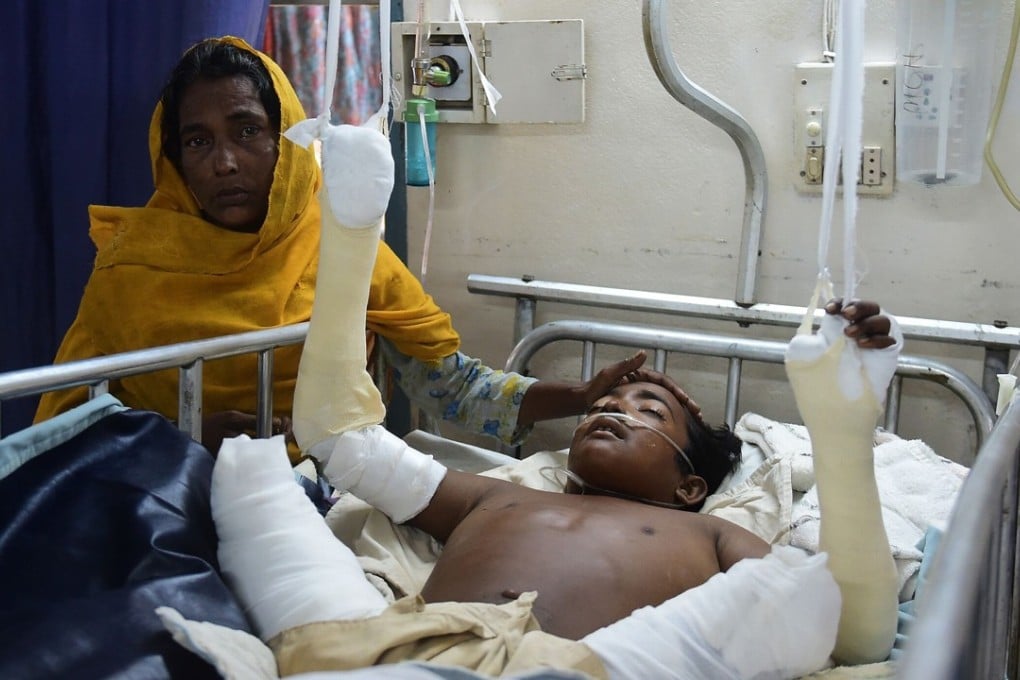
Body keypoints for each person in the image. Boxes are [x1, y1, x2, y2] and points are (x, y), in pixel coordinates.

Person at [208, 182, 903, 676]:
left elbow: (848, 630)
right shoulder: (498, 495)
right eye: (610, 400)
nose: (613, 408)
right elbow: (341, 442)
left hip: (585, 665)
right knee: (251, 483)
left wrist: (842, 432)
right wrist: (353, 228)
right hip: (407, 646)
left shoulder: (709, 535)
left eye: (650, 410)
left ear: (690, 487)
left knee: (785, 612)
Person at [32, 36, 646, 456]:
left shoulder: (344, 248)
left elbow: (452, 388)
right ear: (173, 159)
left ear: (287, 138)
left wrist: (580, 397)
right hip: (162, 490)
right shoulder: (132, 267)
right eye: (198, 142)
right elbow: (70, 427)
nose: (224, 162)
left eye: (247, 131)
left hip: (314, 493)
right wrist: (184, 438)